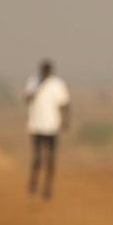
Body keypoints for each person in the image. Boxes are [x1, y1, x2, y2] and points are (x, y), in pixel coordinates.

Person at [24, 59, 71, 200]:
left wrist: (65, 121)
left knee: (50, 157)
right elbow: (27, 98)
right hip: (36, 124)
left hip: (52, 126)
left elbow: (65, 104)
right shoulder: (33, 81)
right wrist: (38, 86)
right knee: (37, 157)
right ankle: (33, 184)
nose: (45, 72)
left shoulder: (58, 84)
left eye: (47, 69)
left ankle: (48, 187)